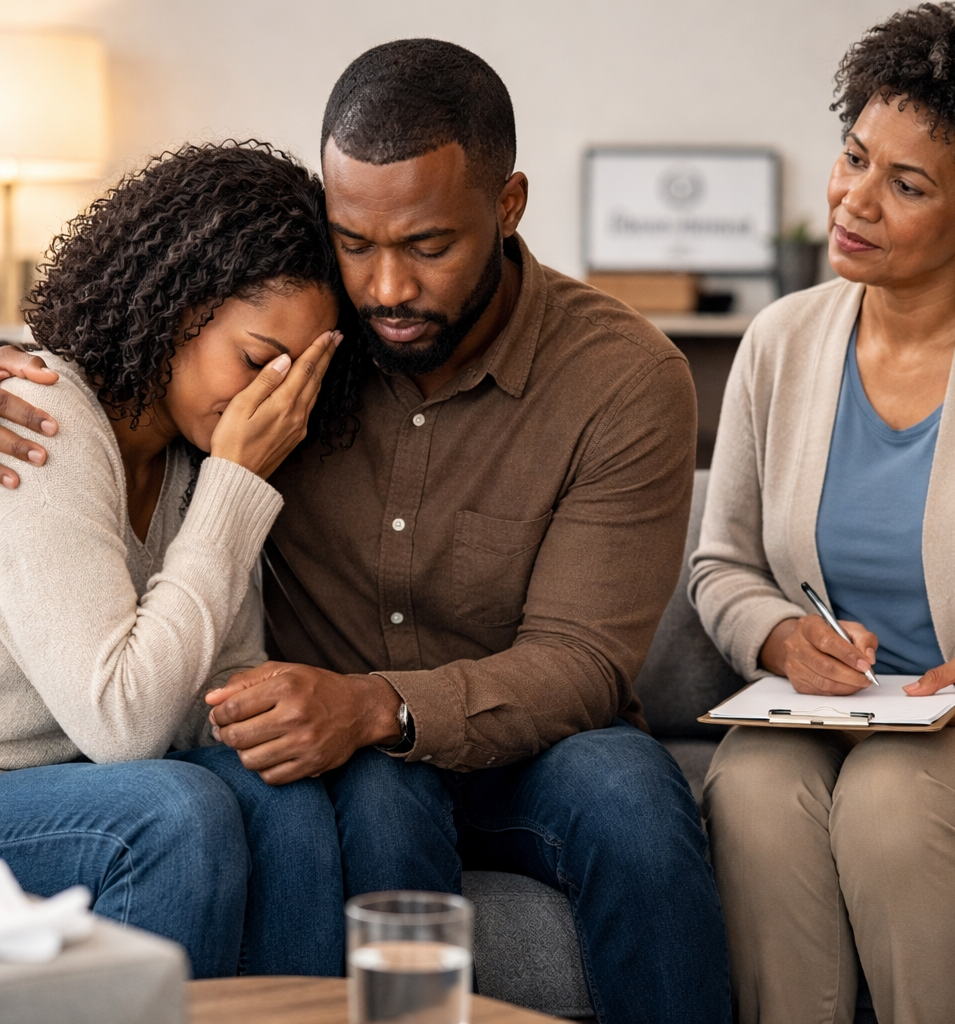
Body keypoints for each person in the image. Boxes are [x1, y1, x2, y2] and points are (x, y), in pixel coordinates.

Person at [0, 41, 731, 1023]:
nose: (386, 288)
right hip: (328, 751)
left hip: (522, 737)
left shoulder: (617, 374)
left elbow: (581, 658)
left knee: (632, 795)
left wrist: (374, 704)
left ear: (506, 206)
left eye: (427, 246)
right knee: (339, 797)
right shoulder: (262, 363)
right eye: (356, 244)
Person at [686, 5, 955, 1023]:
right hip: (832, 714)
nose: (853, 200)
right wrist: (781, 636)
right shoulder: (781, 341)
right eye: (853, 157)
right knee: (745, 786)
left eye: (905, 184)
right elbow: (720, 566)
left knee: (894, 798)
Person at [0, 142, 354, 978]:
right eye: (257, 360)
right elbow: (124, 726)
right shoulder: (43, 419)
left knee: (285, 795)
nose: (271, 403)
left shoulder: (201, 465)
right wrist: (236, 482)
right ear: (175, 307)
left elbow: (208, 702)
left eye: (297, 379)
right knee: (176, 808)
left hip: (84, 783)